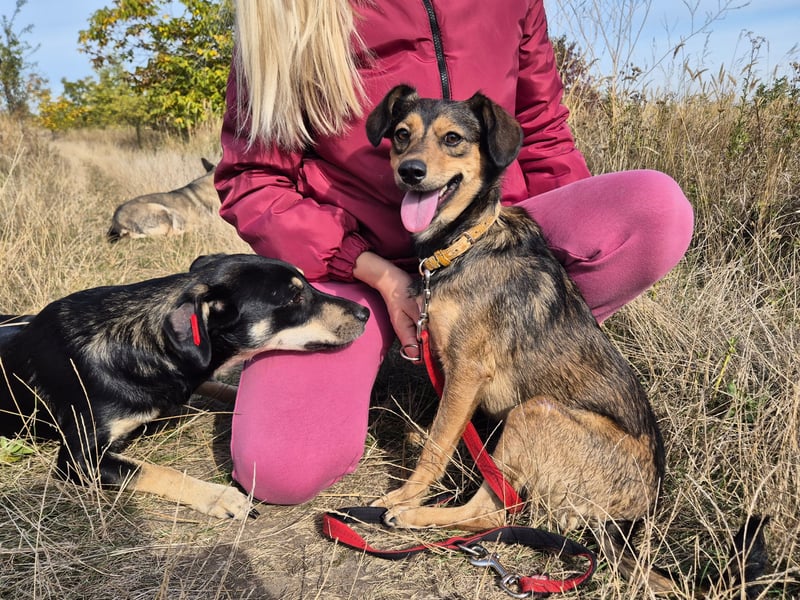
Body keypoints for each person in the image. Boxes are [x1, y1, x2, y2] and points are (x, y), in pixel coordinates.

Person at [214, 0, 694, 505]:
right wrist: (371, 269)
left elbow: (543, 129)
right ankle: (435, 370)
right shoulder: (289, 11)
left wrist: (544, 275)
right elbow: (252, 181)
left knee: (656, 209)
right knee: (276, 469)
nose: (417, 160)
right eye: (403, 140)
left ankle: (502, 371)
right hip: (354, 263)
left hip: (488, 234)